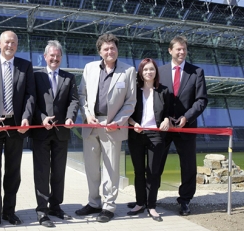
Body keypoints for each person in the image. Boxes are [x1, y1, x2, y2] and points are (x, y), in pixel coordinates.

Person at [0, 30, 36, 230]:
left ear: (17, 46)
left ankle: (9, 211)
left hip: (16, 126)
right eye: (7, 42)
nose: (10, 45)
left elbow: (30, 95)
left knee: (13, 171)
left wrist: (26, 117)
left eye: (14, 43)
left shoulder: (25, 66)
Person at [76, 33, 136, 223]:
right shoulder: (89, 68)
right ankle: (94, 202)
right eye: (106, 48)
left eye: (113, 48)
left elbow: (130, 102)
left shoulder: (128, 71)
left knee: (111, 169)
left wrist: (117, 121)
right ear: (100, 51)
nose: (110, 51)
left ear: (117, 50)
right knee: (92, 168)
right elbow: (82, 95)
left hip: (112, 127)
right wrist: (87, 114)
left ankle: (109, 206)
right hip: (91, 124)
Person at [31, 40, 79, 228]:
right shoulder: (35, 77)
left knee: (58, 172)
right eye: (52, 55)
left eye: (58, 55)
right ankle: (42, 211)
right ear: (45, 57)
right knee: (42, 172)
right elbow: (31, 102)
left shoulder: (69, 78)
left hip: (62, 132)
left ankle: (56, 206)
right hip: (41, 132)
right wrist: (42, 117)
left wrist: (70, 118)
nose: (55, 58)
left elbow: (74, 101)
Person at [158, 35, 208, 216]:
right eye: (178, 49)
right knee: (156, 162)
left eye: (184, 49)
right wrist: (164, 117)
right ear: (170, 50)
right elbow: (154, 99)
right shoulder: (159, 71)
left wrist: (186, 117)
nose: (182, 52)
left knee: (188, 166)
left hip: (186, 127)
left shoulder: (197, 72)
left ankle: (185, 200)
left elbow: (201, 100)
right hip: (164, 127)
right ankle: (150, 198)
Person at [126, 58, 170, 222]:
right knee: (138, 171)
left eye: (151, 69)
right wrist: (134, 123)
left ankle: (151, 206)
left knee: (153, 172)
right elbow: (127, 113)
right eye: (145, 70)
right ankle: (139, 203)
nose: (148, 72)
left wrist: (167, 120)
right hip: (136, 134)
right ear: (140, 72)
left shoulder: (163, 91)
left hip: (156, 135)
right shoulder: (134, 91)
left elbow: (168, 112)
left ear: (155, 72)